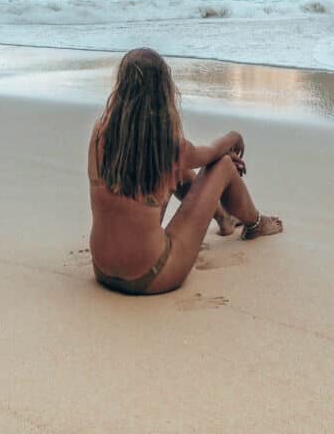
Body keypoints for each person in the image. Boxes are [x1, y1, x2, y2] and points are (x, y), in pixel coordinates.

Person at [88, 47, 283, 295]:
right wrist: (234, 136)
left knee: (174, 171)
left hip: (102, 270)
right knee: (222, 165)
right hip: (152, 276)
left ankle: (224, 219)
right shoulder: (168, 148)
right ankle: (255, 223)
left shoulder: (99, 133)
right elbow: (213, 153)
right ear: (163, 92)